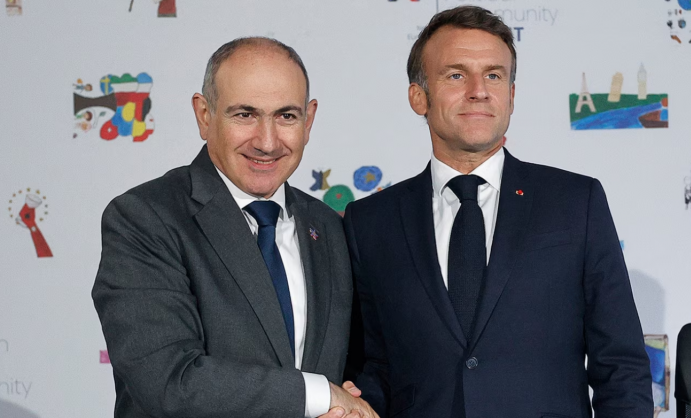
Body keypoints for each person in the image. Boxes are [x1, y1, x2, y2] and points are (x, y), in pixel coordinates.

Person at [343, 6, 653, 417]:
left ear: (511, 95)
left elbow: (622, 366)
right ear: (419, 96)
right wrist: (356, 402)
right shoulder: (370, 222)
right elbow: (374, 367)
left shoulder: (576, 202)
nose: (479, 90)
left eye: (493, 75)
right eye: (456, 75)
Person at [92, 37, 376, 418]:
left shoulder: (329, 227)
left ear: (308, 121)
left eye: (286, 116)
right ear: (204, 115)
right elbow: (171, 382)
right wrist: (320, 394)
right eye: (245, 115)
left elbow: (357, 368)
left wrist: (348, 401)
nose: (267, 142)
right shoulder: (144, 218)